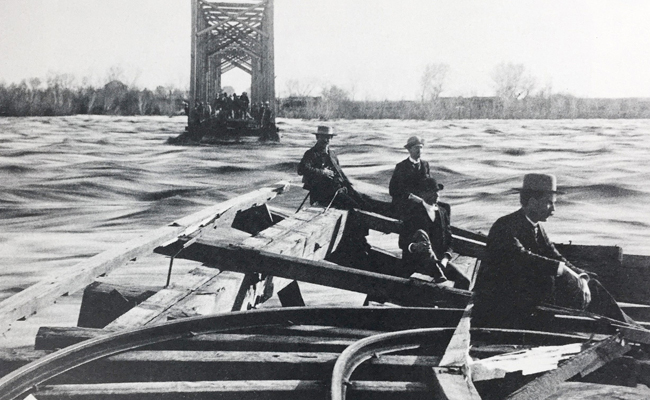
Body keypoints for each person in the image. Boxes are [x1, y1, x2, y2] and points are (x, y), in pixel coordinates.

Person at [472, 173, 632, 330]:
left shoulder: (536, 227)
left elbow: (554, 255)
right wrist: (563, 270)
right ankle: (632, 331)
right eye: (549, 203)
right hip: (502, 305)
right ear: (533, 202)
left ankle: (631, 330)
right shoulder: (505, 226)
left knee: (591, 284)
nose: (553, 209)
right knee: (582, 288)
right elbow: (523, 258)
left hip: (528, 295)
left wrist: (580, 277)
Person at [297, 126, 372, 211]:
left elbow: (340, 172)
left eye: (329, 137)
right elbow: (301, 169)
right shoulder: (311, 153)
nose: (326, 140)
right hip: (321, 194)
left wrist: (348, 185)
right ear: (317, 137)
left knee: (364, 202)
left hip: (337, 189)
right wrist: (322, 172)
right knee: (354, 207)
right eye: (323, 137)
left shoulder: (332, 154)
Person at [398, 177, 452, 283]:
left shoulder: (443, 212)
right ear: (423, 194)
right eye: (432, 192)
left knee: (464, 280)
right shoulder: (412, 212)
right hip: (416, 262)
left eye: (437, 191)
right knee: (421, 235)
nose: (437, 195)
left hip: (440, 261)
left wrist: (445, 259)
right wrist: (414, 247)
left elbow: (450, 241)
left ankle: (437, 270)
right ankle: (436, 271)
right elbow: (402, 242)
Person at [389, 136, 431, 219]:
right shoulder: (401, 166)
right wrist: (411, 197)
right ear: (409, 150)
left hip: (422, 200)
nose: (419, 150)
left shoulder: (425, 165)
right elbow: (393, 190)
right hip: (404, 202)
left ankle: (443, 231)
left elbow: (430, 184)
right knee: (421, 209)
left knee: (445, 207)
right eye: (416, 148)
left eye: (421, 147)